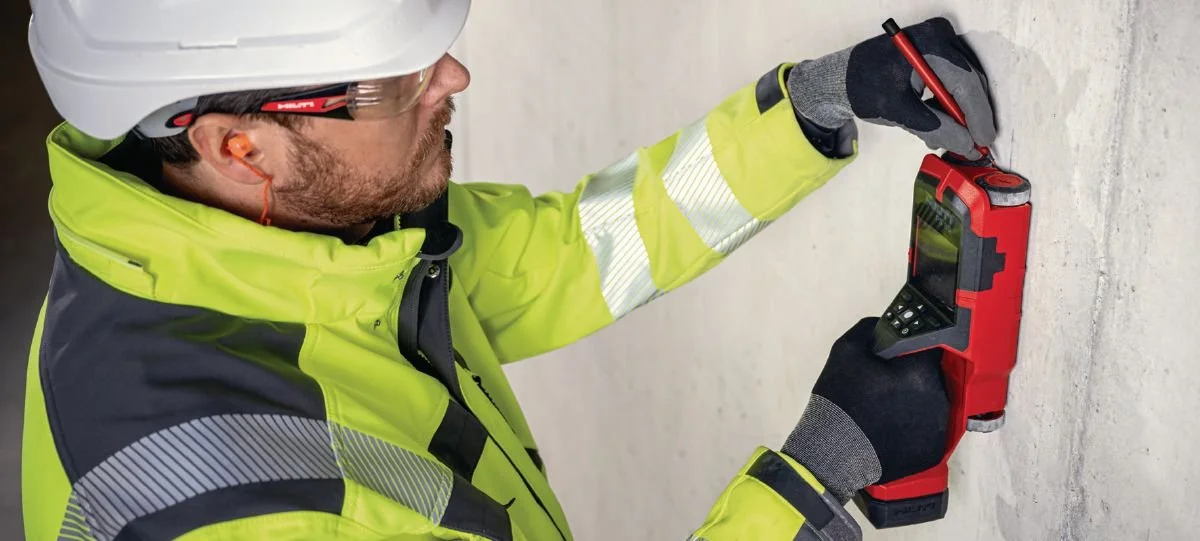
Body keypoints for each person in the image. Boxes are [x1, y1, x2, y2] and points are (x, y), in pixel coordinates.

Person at [20, 1, 996, 540]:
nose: (452, 79)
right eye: (399, 79)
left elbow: (581, 250)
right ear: (244, 147)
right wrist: (816, 482)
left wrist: (814, 109)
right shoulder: (253, 520)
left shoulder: (268, 249)